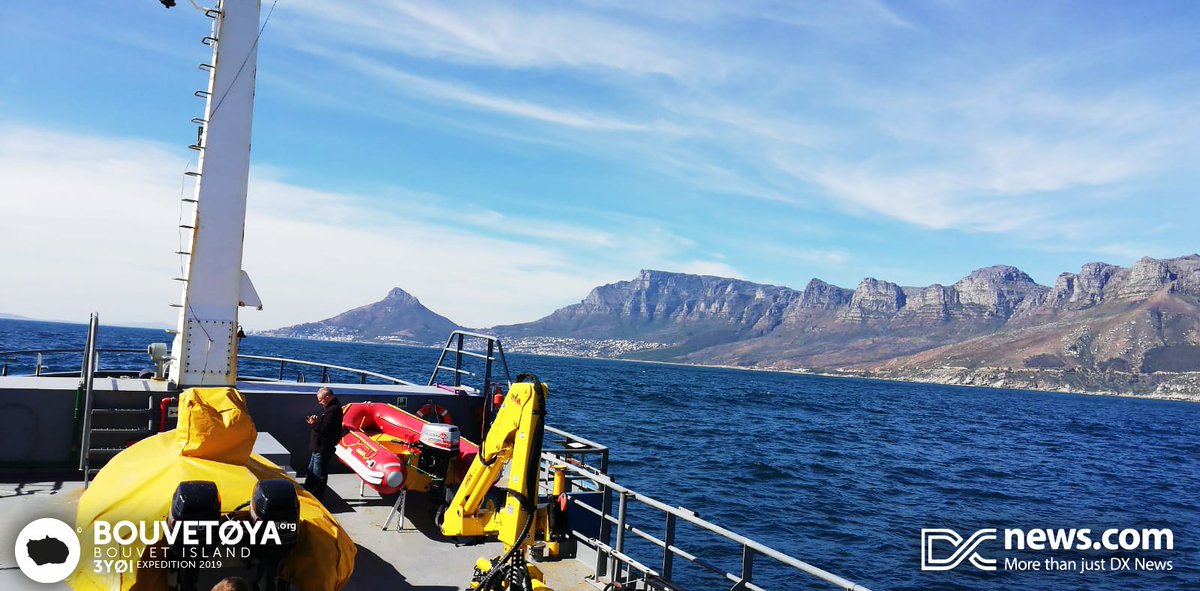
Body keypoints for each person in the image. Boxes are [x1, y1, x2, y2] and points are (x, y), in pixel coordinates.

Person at [303, 386, 343, 500]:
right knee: (311, 471)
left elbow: (325, 428)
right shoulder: (330, 409)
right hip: (319, 446)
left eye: (321, 400)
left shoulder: (333, 410)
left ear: (327, 397)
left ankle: (317, 497)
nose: (319, 402)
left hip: (323, 447)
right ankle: (308, 491)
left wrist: (314, 423)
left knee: (318, 474)